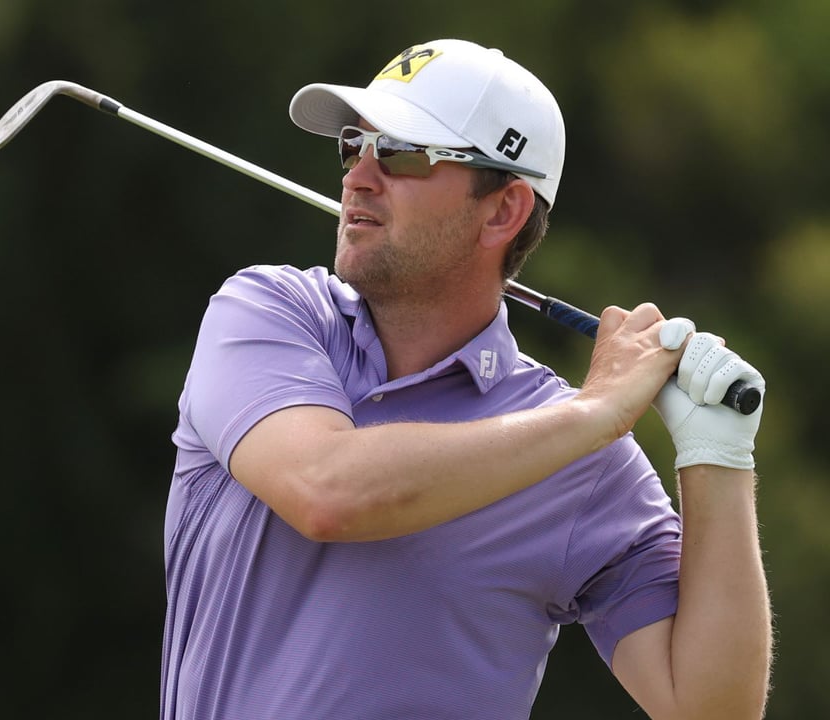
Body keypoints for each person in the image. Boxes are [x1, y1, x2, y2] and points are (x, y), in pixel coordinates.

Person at [161, 38, 771, 719]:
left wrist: (718, 461)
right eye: (352, 146)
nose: (358, 177)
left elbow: (711, 710)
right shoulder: (269, 313)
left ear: (504, 211)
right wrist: (593, 414)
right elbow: (327, 491)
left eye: (399, 153)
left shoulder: (585, 463)